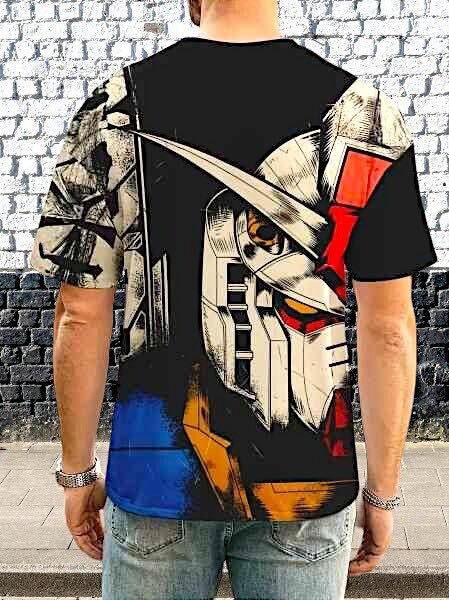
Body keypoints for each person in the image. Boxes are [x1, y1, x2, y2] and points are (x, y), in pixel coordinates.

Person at [29, 0, 437, 598]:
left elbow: (79, 314)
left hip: (155, 481)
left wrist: (76, 472)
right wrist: (382, 491)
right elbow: (389, 329)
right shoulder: (367, 119)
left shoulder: (111, 112)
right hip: (305, 490)